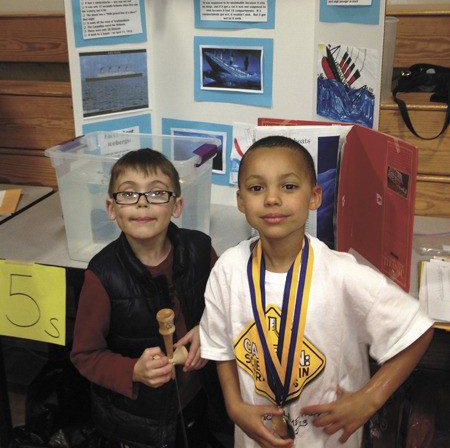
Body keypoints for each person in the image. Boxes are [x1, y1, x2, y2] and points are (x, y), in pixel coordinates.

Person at [200, 135, 434, 447]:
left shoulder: (341, 274)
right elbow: (220, 347)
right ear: (241, 200)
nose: (272, 198)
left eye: (289, 186)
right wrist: (233, 405)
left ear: (314, 196)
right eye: (257, 188)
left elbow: (416, 330)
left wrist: (369, 400)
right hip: (255, 438)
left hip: (326, 439)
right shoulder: (227, 270)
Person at [71, 148, 231, 448]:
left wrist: (208, 328)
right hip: (138, 423)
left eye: (157, 193)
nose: (143, 203)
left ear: (177, 205)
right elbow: (85, 355)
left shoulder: (200, 249)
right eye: (129, 194)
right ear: (111, 208)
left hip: (198, 401)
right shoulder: (102, 276)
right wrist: (132, 370)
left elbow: (227, 306)